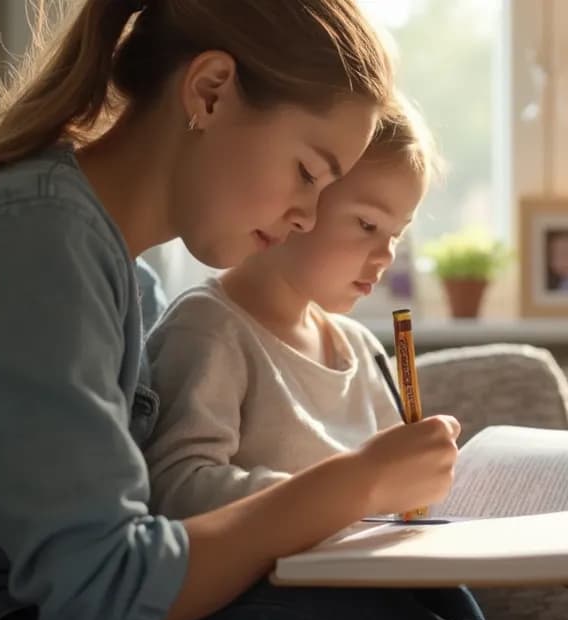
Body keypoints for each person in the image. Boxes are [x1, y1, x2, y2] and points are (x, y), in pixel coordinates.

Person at [0, 1, 484, 620]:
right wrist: (354, 485)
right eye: (308, 171)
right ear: (211, 91)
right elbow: (104, 591)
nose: (308, 215)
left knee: (423, 602)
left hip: (23, 609)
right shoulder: (31, 236)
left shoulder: (129, 280)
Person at [143, 99, 437, 521]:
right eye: (368, 225)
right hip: (281, 586)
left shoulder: (359, 348)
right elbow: (176, 490)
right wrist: (342, 494)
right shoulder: (210, 331)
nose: (387, 255)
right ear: (298, 201)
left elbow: (398, 493)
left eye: (397, 234)